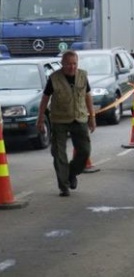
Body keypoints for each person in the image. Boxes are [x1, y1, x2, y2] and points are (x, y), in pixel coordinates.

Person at [37, 50, 96, 197]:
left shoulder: (83, 76)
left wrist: (92, 116)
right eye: (69, 64)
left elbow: (88, 96)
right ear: (62, 64)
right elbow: (45, 99)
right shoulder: (54, 78)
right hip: (59, 120)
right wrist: (40, 119)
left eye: (74, 63)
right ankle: (64, 186)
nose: (72, 67)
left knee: (84, 151)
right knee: (58, 153)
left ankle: (71, 173)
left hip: (79, 118)